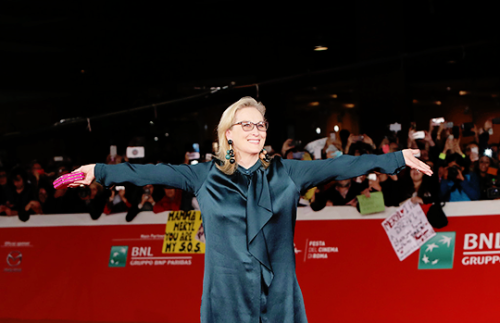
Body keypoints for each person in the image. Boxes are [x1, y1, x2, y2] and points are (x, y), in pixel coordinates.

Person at [60, 97, 432, 323]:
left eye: (260, 124)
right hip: (226, 297)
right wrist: (98, 171)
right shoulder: (203, 177)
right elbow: (148, 172)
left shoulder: (288, 173)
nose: (256, 130)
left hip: (281, 295)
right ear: (229, 134)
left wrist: (397, 158)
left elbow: (342, 165)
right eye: (247, 124)